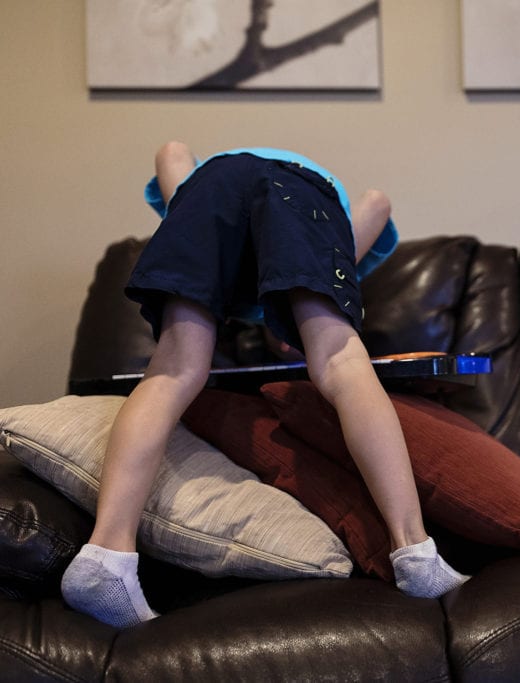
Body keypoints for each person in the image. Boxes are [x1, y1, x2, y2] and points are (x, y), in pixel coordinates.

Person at [60, 142, 469, 628]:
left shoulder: (212, 203)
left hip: (206, 191)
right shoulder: (325, 224)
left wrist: (188, 200)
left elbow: (172, 151)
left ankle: (105, 554)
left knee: (172, 371)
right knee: (341, 362)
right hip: (299, 192)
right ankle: (415, 551)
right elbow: (377, 200)